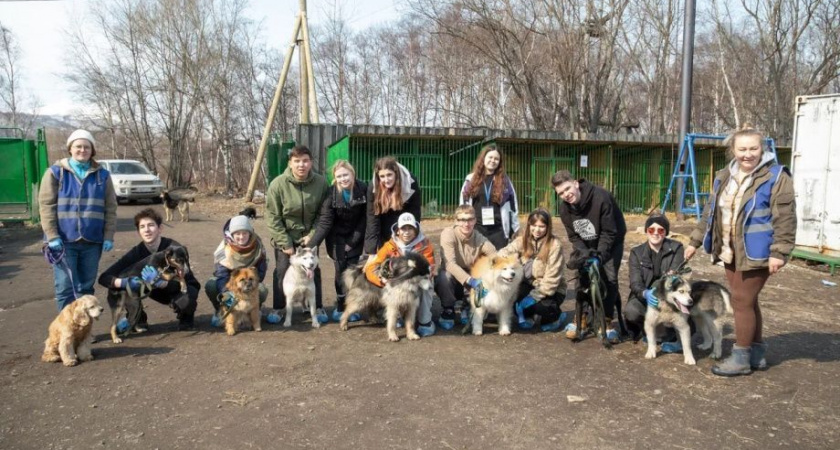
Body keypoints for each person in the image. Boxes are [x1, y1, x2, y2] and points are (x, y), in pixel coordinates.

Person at [685, 124, 796, 377]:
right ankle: (756, 355)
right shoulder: (724, 175)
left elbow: (786, 219)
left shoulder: (777, 176)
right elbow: (709, 213)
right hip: (729, 251)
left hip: (757, 252)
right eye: (742, 149)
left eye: (753, 148)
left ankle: (741, 357)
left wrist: (779, 252)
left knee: (740, 301)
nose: (748, 154)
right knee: (748, 301)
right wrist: (694, 242)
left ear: (762, 148)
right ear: (733, 150)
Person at [39, 129, 117, 311]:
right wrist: (52, 236)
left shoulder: (102, 175)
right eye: (78, 146)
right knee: (65, 288)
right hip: (64, 241)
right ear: (70, 149)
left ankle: (84, 329)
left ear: (92, 150)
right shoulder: (55, 173)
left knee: (86, 287)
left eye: (86, 147)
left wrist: (108, 236)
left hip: (92, 241)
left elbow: (111, 208)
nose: (82, 150)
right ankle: (69, 331)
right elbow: (46, 206)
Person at [552, 170, 627, 343]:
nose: (565, 195)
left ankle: (606, 322)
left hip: (612, 241)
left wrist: (599, 256)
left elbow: (609, 232)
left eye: (567, 189)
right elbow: (574, 237)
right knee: (582, 277)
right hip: (586, 244)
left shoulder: (601, 198)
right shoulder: (564, 209)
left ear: (576, 183)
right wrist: (586, 256)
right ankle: (582, 319)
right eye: (561, 193)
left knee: (609, 279)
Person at [98, 208, 199, 330]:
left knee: (187, 299)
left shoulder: (175, 250)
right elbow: (104, 278)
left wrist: (162, 283)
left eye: (151, 225)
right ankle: (137, 318)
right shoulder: (136, 253)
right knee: (123, 283)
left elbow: (188, 282)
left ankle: (186, 317)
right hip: (150, 289)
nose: (146, 230)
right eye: (142, 227)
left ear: (160, 228)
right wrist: (125, 282)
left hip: (177, 289)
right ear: (138, 232)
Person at [265, 145, 330, 325]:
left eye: (305, 161)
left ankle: (315, 306)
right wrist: (285, 243)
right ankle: (279, 308)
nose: (301, 165)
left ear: (310, 163)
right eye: (297, 161)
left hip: (309, 236)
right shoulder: (277, 184)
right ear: (290, 163)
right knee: (282, 270)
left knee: (312, 268)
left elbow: (322, 214)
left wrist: (312, 236)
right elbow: (272, 217)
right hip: (286, 236)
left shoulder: (321, 183)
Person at [309, 160, 367, 322]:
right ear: (335, 178)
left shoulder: (363, 190)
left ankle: (353, 306)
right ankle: (340, 306)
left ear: (352, 174)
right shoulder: (330, 194)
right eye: (339, 176)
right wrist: (310, 246)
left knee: (354, 273)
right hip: (336, 238)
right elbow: (325, 223)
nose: (343, 179)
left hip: (355, 236)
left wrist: (353, 242)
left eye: (346, 174)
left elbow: (365, 220)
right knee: (340, 272)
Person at [364, 212, 436, 336]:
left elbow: (429, 267)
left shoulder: (425, 245)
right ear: (397, 231)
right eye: (403, 229)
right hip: (394, 286)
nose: (407, 232)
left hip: (416, 284)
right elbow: (371, 267)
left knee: (427, 284)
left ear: (416, 230)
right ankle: (394, 320)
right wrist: (381, 279)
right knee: (389, 293)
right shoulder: (389, 246)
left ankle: (425, 322)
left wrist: (421, 278)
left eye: (410, 228)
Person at [624, 212, 687, 352]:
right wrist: (645, 293)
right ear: (646, 231)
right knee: (631, 310)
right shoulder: (636, 252)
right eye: (651, 230)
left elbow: (675, 278)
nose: (655, 233)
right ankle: (647, 330)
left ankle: (668, 333)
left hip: (668, 298)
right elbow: (635, 282)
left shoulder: (676, 248)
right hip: (646, 299)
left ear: (666, 232)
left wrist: (660, 291)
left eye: (661, 230)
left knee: (687, 304)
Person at [497, 209, 566, 332]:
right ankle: (528, 316)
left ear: (548, 227)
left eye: (542, 226)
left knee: (542, 307)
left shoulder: (555, 245)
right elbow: (503, 253)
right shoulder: (522, 240)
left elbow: (552, 279)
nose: (537, 230)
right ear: (529, 225)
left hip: (550, 289)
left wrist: (533, 297)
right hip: (528, 284)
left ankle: (555, 317)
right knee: (512, 300)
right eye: (534, 225)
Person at [435, 205, 497, 330]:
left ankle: (468, 305)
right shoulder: (448, 234)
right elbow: (449, 264)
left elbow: (495, 255)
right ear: (456, 221)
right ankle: (448, 309)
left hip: (470, 276)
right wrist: (472, 281)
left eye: (470, 219)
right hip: (453, 277)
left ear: (475, 220)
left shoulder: (479, 238)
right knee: (443, 276)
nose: (466, 224)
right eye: (462, 220)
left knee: (485, 273)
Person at [205, 215, 269, 327]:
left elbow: (261, 273)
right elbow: (221, 275)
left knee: (262, 290)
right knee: (211, 285)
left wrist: (249, 284)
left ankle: (252, 311)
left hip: (249, 282)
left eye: (245, 233)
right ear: (232, 234)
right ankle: (221, 310)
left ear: (250, 233)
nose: (241, 237)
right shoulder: (224, 249)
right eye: (237, 233)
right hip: (230, 284)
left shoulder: (258, 247)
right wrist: (229, 293)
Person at [460, 145, 519, 249]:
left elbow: (514, 206)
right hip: (476, 229)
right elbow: (463, 205)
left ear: (499, 162)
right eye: (490, 157)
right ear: (483, 159)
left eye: (496, 159)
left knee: (497, 263)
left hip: (498, 231)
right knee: (478, 263)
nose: (493, 161)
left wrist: (516, 228)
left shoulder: (505, 181)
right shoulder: (470, 179)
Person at [364, 156, 421, 257]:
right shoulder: (373, 187)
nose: (386, 180)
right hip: (383, 217)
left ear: (396, 173)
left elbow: (415, 213)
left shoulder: (411, 182)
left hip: (404, 215)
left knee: (404, 258)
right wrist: (371, 252)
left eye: (389, 175)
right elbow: (372, 219)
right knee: (384, 256)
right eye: (382, 176)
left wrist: (410, 234)